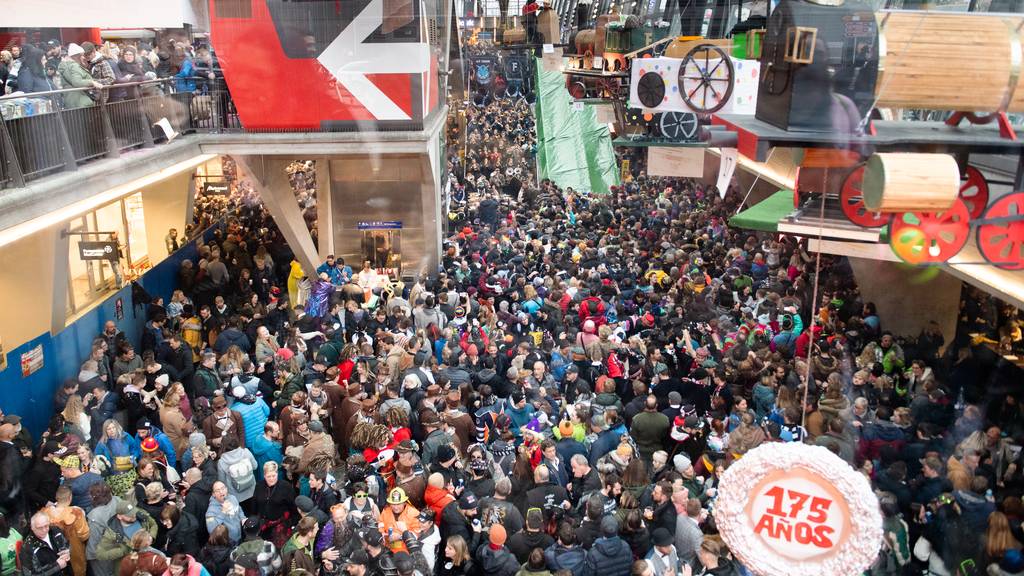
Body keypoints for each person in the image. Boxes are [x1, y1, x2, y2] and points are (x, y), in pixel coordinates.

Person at [95, 501, 158, 574]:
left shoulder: (140, 514)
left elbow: (153, 524)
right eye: (129, 515)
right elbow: (100, 554)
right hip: (128, 567)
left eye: (133, 513)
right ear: (119, 516)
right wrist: (123, 551)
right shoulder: (111, 533)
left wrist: (151, 536)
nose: (134, 516)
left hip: (147, 560)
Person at [21, 512, 72, 576]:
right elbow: (30, 574)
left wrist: (68, 551)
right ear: (32, 528)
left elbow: (67, 544)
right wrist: (56, 566)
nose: (44, 530)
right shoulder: (27, 547)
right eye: (40, 528)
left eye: (46, 526)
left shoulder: (55, 530)